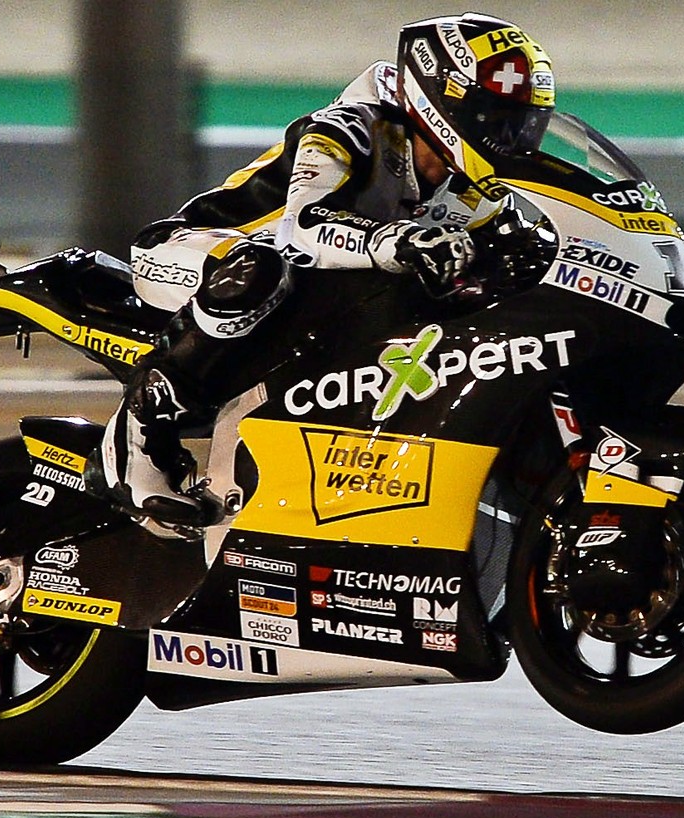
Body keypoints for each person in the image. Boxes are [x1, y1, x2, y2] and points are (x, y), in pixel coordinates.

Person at [96, 11, 557, 525]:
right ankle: (139, 430)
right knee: (258, 269)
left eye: (525, 121)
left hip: (306, 285)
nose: (514, 136)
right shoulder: (350, 130)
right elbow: (305, 230)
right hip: (194, 253)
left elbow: (527, 247)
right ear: (440, 95)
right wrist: (397, 241)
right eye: (498, 117)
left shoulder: (476, 185)